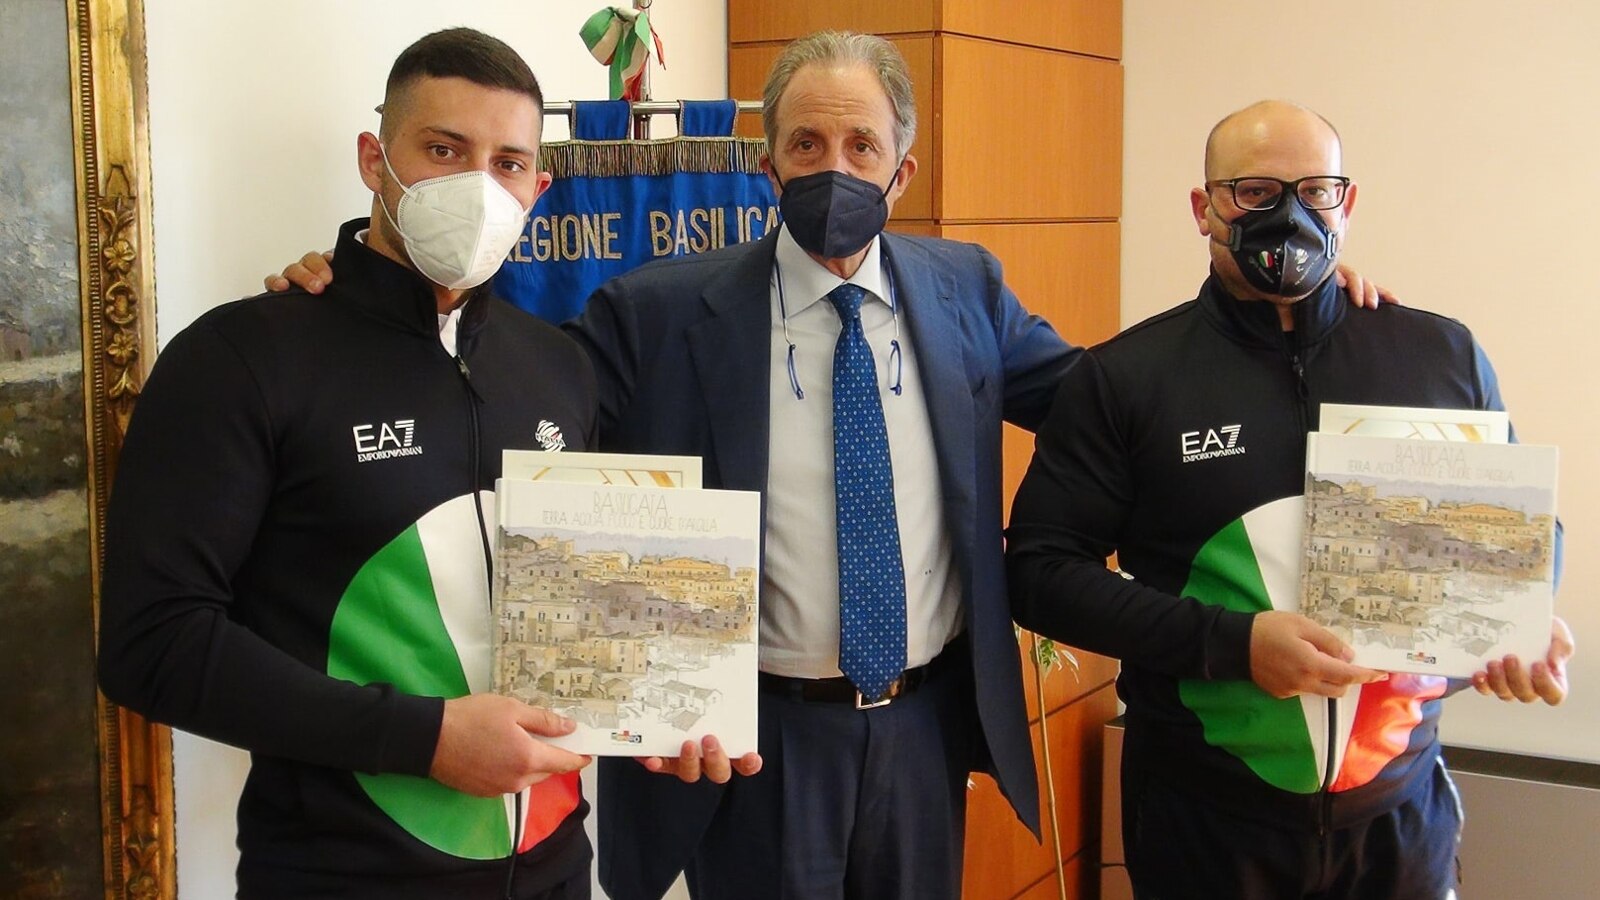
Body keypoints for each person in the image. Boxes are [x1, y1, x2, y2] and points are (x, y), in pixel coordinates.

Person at [1006, 99, 1575, 900]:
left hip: (1399, 816)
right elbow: (1040, 572)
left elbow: (1522, 532)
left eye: (1316, 191)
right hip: (1205, 817)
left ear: (1347, 202)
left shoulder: (1437, 355)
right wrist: (1233, 645)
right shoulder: (1127, 377)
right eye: (1255, 192)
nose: (1290, 216)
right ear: (1204, 208)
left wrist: (1519, 618)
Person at [101, 28, 606, 899]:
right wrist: (426, 739)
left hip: (555, 866)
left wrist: (664, 721)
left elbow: (582, 605)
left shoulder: (557, 365)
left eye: (508, 163)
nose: (478, 186)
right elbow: (152, 644)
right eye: (443, 150)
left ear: (539, 187)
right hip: (340, 876)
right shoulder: (241, 358)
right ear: (376, 160)